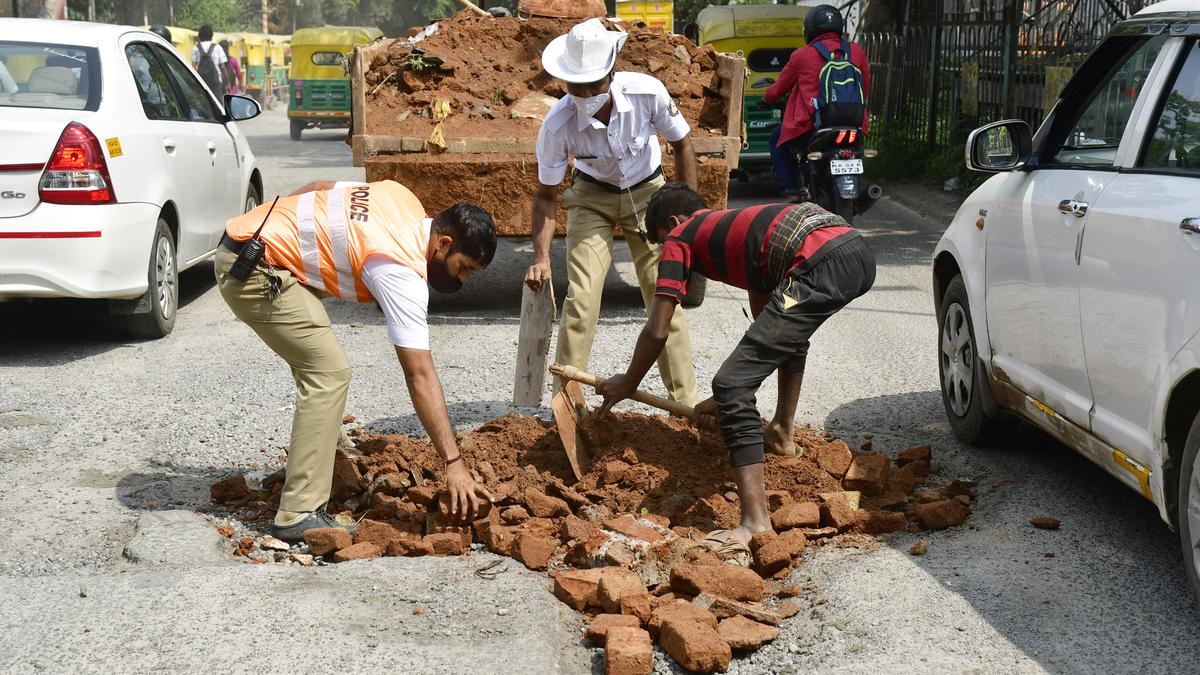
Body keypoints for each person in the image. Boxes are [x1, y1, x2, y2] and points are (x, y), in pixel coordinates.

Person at [596, 183, 876, 551]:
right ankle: (781, 433)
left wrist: (628, 382)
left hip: (821, 262)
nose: (667, 250)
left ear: (674, 222)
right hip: (854, 253)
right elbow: (771, 333)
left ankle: (755, 524)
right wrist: (728, 396)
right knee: (783, 341)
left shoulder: (681, 234)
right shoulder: (742, 234)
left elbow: (658, 327)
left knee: (729, 383)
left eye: (662, 240)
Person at [216, 180, 498, 542]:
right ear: (443, 244)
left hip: (249, 242)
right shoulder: (400, 269)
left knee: (320, 364)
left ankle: (320, 457)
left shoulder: (403, 198)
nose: (464, 279)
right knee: (329, 374)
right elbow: (420, 375)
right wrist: (453, 463)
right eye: (465, 267)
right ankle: (297, 513)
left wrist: (278, 227)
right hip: (253, 270)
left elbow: (320, 188)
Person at [525, 18, 699, 407]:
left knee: (664, 297)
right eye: (576, 85)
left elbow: (683, 145)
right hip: (592, 197)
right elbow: (546, 196)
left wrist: (690, 218)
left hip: (651, 193)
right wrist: (540, 258)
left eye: (594, 84)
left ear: (612, 72)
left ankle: (685, 405)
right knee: (582, 298)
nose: (585, 93)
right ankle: (567, 408)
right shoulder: (557, 125)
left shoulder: (646, 93)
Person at [763, 4, 871, 202]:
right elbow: (866, 88)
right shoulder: (856, 52)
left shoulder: (801, 56)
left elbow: (777, 90)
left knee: (776, 139)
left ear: (809, 29)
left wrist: (766, 98)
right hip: (853, 124)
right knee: (856, 149)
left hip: (812, 128)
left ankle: (793, 190)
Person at [191, 25, 233, 95]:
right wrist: (228, 82)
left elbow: (193, 67)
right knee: (217, 103)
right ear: (211, 36)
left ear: (200, 36)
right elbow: (222, 68)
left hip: (202, 82)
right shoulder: (217, 47)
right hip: (215, 82)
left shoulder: (196, 48)